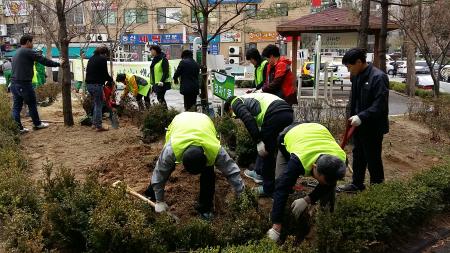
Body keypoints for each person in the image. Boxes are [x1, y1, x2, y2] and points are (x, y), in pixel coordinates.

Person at [144, 112, 245, 220]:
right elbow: (160, 171)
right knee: (167, 168)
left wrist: (242, 195)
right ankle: (151, 193)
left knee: (208, 174)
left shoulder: (214, 150)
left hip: (204, 122)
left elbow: (232, 171)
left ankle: (205, 209)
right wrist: (159, 201)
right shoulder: (171, 150)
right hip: (180, 121)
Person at [266, 123, 347, 242]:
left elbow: (330, 183)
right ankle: (277, 214)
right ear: (314, 167)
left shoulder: (341, 159)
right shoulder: (298, 161)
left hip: (317, 130)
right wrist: (276, 226)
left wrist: (308, 199)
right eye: (324, 180)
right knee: (281, 181)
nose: (329, 182)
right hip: (289, 134)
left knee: (329, 188)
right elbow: (281, 188)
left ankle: (326, 219)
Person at [337, 48, 389, 193]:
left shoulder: (378, 77)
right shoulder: (356, 76)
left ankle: (377, 188)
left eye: (349, 66)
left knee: (373, 158)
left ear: (359, 62)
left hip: (373, 127)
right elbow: (355, 100)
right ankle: (357, 184)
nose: (349, 71)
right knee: (358, 155)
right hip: (358, 125)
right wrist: (352, 116)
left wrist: (362, 116)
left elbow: (380, 105)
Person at [224, 93, 293, 197]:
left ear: (229, 107)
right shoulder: (249, 98)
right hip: (287, 112)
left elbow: (248, 118)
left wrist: (258, 141)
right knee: (281, 149)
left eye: (231, 114)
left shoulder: (235, 102)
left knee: (266, 152)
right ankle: (266, 176)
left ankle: (268, 189)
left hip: (274, 113)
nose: (235, 117)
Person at [10, 35, 61, 133]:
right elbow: (44, 61)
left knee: (16, 107)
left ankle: (18, 128)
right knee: (32, 104)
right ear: (28, 42)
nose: (33, 44)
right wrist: (58, 64)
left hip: (14, 84)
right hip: (24, 84)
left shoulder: (16, 53)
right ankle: (37, 124)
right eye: (32, 42)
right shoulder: (28, 51)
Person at [85, 46, 113, 132]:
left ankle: (94, 123)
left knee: (96, 103)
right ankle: (98, 125)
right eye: (106, 55)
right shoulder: (102, 59)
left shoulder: (91, 58)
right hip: (96, 85)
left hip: (89, 84)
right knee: (99, 104)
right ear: (104, 53)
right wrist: (111, 80)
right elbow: (105, 73)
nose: (106, 57)